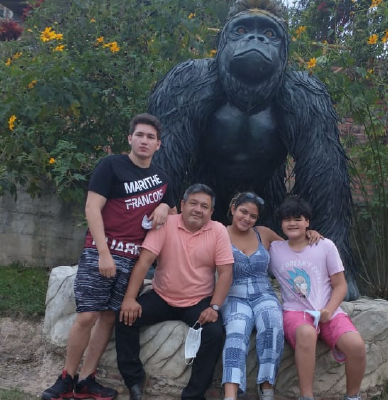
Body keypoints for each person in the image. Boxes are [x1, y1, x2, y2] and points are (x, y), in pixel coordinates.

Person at [42, 113, 175, 400]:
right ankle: (67, 377)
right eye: (139, 134)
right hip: (101, 252)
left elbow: (172, 212)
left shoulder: (163, 179)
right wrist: (103, 252)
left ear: (158, 145)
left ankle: (87, 379)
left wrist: (165, 206)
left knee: (108, 318)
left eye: (150, 137)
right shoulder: (111, 166)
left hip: (134, 259)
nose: (144, 140)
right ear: (130, 138)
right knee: (87, 315)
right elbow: (92, 208)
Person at [116, 183, 234, 400]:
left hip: (198, 301)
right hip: (161, 296)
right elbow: (145, 262)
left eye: (204, 206)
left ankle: (193, 394)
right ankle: (134, 379)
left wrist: (214, 306)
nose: (198, 209)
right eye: (194, 203)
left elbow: (225, 273)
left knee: (215, 334)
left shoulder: (218, 231)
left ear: (211, 212)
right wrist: (130, 298)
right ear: (182, 205)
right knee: (125, 317)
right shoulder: (166, 224)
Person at [221, 192, 323, 400]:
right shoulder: (218, 233)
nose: (247, 218)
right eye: (243, 212)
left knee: (273, 325)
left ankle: (266, 387)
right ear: (233, 209)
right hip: (233, 295)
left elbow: (292, 248)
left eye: (253, 215)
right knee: (236, 331)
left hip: (263, 293)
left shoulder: (263, 233)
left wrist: (309, 233)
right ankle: (230, 394)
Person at [268, 197, 366, 400]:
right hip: (296, 312)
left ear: (307, 222)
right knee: (306, 333)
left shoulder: (325, 246)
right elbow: (254, 234)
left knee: (356, 346)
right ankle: (306, 396)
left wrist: (329, 310)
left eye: (298, 218)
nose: (292, 223)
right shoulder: (275, 249)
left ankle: (353, 396)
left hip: (328, 311)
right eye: (287, 219)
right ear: (281, 223)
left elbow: (340, 285)